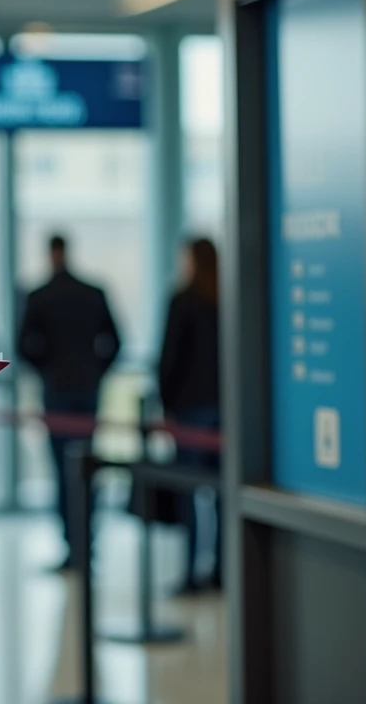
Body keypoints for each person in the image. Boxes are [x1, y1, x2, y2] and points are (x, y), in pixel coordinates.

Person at [18, 234, 121, 569]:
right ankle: (86, 543)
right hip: (88, 391)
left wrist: (46, 370)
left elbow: (23, 346)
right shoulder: (93, 292)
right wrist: (96, 372)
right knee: (87, 469)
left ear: (51, 254)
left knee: (64, 471)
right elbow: (115, 342)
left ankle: (72, 545)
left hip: (57, 392)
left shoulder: (39, 295)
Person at [158, 237, 222, 593]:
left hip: (190, 409)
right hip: (224, 409)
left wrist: (166, 405)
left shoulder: (183, 300)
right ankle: (224, 570)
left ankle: (190, 572)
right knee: (223, 492)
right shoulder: (227, 298)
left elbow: (170, 358)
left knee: (189, 490)